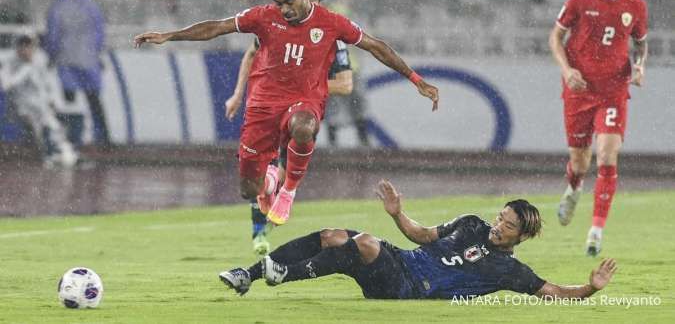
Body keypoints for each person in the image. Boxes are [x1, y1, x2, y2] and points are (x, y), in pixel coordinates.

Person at [134, 0, 439, 227]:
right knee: (247, 189)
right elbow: (218, 27)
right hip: (263, 105)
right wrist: (170, 35)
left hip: (303, 102)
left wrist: (415, 79)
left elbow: (376, 46)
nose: (284, 9)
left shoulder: (332, 23)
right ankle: (268, 184)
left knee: (305, 127)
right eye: (278, 2)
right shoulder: (264, 17)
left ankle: (288, 190)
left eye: (289, 1)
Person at [219, 179, 618, 299]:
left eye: (509, 225)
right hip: (403, 262)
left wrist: (590, 288)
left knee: (363, 244)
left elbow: (551, 291)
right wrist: (397, 214)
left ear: (522, 236)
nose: (499, 225)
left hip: (412, 288)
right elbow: (421, 234)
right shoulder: (472, 223)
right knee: (333, 238)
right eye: (502, 216)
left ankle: (279, 273)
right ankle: (251, 274)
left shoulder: (510, 270)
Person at [224, 0, 354, 256]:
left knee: (280, 170)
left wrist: (303, 84)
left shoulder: (331, 36)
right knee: (259, 167)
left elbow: (345, 84)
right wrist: (237, 94)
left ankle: (272, 209)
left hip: (300, 112)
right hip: (268, 106)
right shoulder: (275, 27)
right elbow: (250, 54)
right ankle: (260, 232)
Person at [549, 0, 648, 256]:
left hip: (614, 92)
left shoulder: (635, 6)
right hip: (579, 91)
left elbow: (641, 43)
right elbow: (556, 37)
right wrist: (567, 71)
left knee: (607, 156)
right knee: (580, 161)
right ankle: (574, 187)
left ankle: (595, 231)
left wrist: (640, 67)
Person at [45, 0, 110, 147]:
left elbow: (53, 36)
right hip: (88, 59)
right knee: (94, 100)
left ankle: (71, 138)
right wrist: (96, 54)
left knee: (69, 101)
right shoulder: (91, 6)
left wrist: (51, 56)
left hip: (66, 59)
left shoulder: (57, 7)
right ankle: (103, 137)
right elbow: (100, 34)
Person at [0, 35, 78, 167]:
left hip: (41, 104)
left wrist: (53, 100)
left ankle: (63, 154)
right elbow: (7, 85)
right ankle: (47, 155)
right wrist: (25, 70)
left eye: (29, 48)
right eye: (23, 48)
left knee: (53, 127)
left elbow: (49, 81)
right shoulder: (10, 62)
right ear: (18, 49)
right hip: (20, 106)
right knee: (37, 130)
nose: (26, 51)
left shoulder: (41, 60)